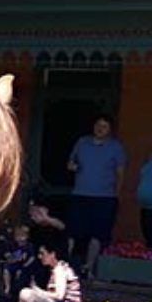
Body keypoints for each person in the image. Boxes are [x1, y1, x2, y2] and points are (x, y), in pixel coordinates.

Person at [66, 114, 126, 272]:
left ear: (110, 129)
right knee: (74, 231)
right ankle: (67, 266)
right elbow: (71, 162)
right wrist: (72, 166)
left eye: (104, 126)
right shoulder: (82, 142)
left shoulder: (115, 147)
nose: (100, 129)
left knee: (98, 234)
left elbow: (120, 172)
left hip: (104, 197)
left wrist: (117, 194)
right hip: (80, 194)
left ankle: (89, 267)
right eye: (98, 125)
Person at [0, 223, 35, 302]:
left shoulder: (29, 246)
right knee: (6, 270)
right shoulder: (11, 244)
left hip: (24, 266)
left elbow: (32, 257)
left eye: (22, 235)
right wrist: (12, 259)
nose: (20, 238)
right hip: (13, 264)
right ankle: (7, 288)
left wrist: (25, 265)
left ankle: (17, 292)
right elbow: (7, 256)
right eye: (18, 235)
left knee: (20, 274)